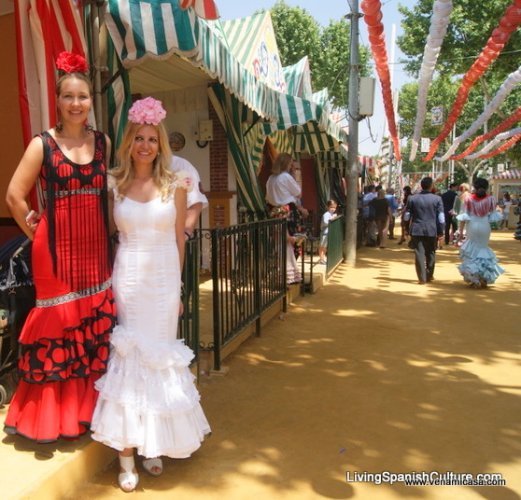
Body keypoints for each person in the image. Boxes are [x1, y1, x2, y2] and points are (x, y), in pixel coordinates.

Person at [91, 97, 211, 492]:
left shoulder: (176, 184)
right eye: (139, 138)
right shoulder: (115, 183)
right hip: (128, 277)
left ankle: (153, 444)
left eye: (152, 139)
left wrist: (177, 289)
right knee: (130, 359)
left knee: (160, 361)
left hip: (162, 280)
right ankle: (127, 456)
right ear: (130, 142)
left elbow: (179, 239)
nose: (145, 145)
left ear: (161, 144)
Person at [3, 52, 116, 443]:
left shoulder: (103, 142)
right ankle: (50, 420)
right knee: (58, 328)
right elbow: (14, 196)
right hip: (55, 256)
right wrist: (35, 230)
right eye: (68, 96)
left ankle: (84, 415)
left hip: (96, 252)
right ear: (58, 100)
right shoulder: (42, 144)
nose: (76, 103)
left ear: (90, 101)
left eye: (83, 96)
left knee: (91, 329)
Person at [266, 153, 308, 284]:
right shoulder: (286, 177)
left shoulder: (270, 178)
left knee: (279, 244)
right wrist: (294, 177)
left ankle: (282, 274)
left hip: (274, 211)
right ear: (286, 164)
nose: (291, 166)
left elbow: (268, 197)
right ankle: (288, 275)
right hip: (288, 211)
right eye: (290, 164)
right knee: (294, 241)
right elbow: (298, 193)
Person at [456, 178, 504, 289]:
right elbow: (493, 216)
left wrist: (460, 234)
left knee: (472, 251)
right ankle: (483, 278)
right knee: (483, 249)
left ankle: (474, 278)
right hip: (484, 225)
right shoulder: (491, 199)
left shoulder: (468, 199)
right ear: (486, 187)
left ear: (475, 187)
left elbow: (464, 217)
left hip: (472, 225)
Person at [404, 177, 445, 284]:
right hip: (432, 229)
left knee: (419, 253)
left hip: (417, 229)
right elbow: (441, 217)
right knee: (431, 252)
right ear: (431, 186)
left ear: (421, 186)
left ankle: (422, 278)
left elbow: (407, 216)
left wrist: (406, 229)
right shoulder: (437, 199)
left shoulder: (412, 198)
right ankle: (429, 274)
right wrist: (441, 231)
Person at [318, 200, 338, 264]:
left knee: (325, 247)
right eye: (331, 207)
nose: (333, 209)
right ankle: (321, 259)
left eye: (334, 207)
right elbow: (326, 222)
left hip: (328, 233)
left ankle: (323, 258)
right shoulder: (326, 214)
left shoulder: (331, 214)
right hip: (325, 233)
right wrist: (332, 218)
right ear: (328, 207)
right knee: (322, 246)